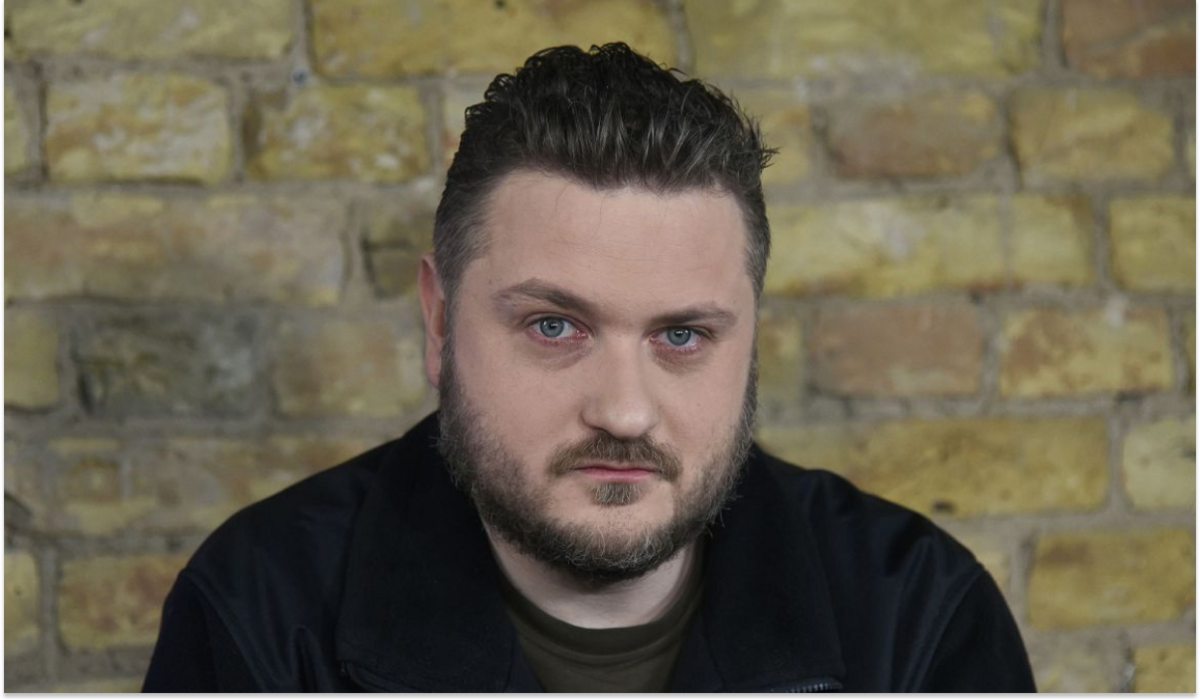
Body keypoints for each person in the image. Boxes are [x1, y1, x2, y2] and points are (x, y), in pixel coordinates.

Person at [142, 43, 1035, 693]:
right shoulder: (259, 616)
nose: (623, 411)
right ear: (440, 323)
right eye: (554, 326)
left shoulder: (921, 622)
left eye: (682, 336)